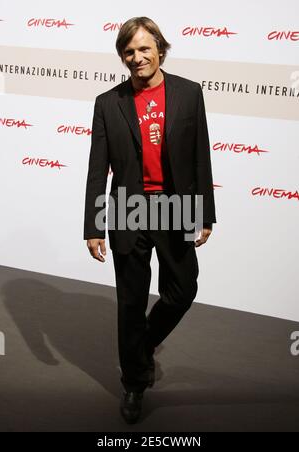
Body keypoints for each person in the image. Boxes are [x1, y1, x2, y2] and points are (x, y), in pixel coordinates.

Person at [84, 16, 216, 424]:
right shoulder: (109, 102)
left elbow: (200, 157)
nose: (136, 57)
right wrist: (94, 226)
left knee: (181, 290)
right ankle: (134, 384)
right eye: (129, 51)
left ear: (160, 47)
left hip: (173, 208)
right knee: (130, 302)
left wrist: (203, 213)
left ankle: (139, 348)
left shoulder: (189, 94)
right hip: (127, 210)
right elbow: (97, 169)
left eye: (144, 48)